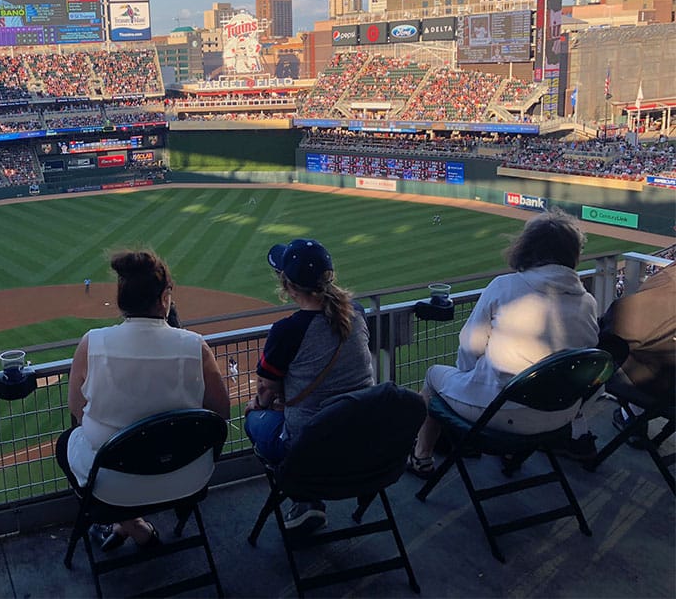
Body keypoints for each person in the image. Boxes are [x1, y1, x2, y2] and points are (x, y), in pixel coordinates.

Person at [57, 250, 230, 551]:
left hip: (112, 487)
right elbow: (221, 413)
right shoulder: (195, 346)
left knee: (66, 443)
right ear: (165, 299)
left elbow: (77, 411)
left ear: (122, 299)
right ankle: (133, 525)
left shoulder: (92, 342)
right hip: (188, 477)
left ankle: (131, 524)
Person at [407, 209, 600, 479]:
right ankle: (512, 455)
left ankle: (421, 458)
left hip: (500, 413)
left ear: (527, 247)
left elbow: (469, 347)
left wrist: (468, 378)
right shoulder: (588, 301)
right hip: (559, 416)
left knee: (432, 376)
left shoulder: (504, 286)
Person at [244, 238, 374, 534]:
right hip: (366, 440)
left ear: (288, 286)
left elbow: (266, 390)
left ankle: (303, 495)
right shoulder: (356, 311)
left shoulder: (288, 330)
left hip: (310, 446)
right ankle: (306, 496)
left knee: (254, 419)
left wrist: (260, 405)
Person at [597, 263, 676, 441]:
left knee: (599, 351)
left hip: (661, 385)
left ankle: (631, 422)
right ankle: (633, 417)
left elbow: (621, 327)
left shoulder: (670, 282)